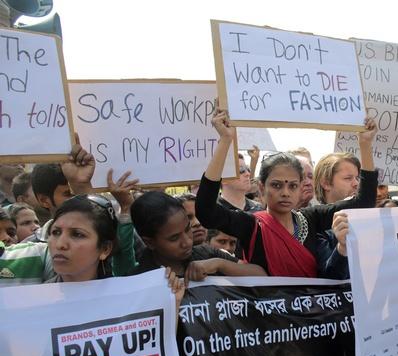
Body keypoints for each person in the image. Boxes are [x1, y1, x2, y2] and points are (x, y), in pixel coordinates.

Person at [196, 108, 377, 277]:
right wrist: (225, 141)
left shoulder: (311, 218)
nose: (285, 193)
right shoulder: (251, 225)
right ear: (261, 187)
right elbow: (206, 212)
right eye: (276, 185)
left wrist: (366, 145)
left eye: (292, 186)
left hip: (314, 310)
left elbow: (364, 204)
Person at [129, 191, 266, 279]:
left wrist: (220, 265)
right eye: (174, 238)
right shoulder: (139, 282)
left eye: (187, 229)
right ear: (150, 242)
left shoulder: (206, 254)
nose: (187, 242)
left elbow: (261, 275)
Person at [46, 195, 118, 283]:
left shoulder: (127, 294)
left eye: (77, 234)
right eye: (56, 232)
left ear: (105, 249)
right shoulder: (37, 295)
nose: (60, 244)